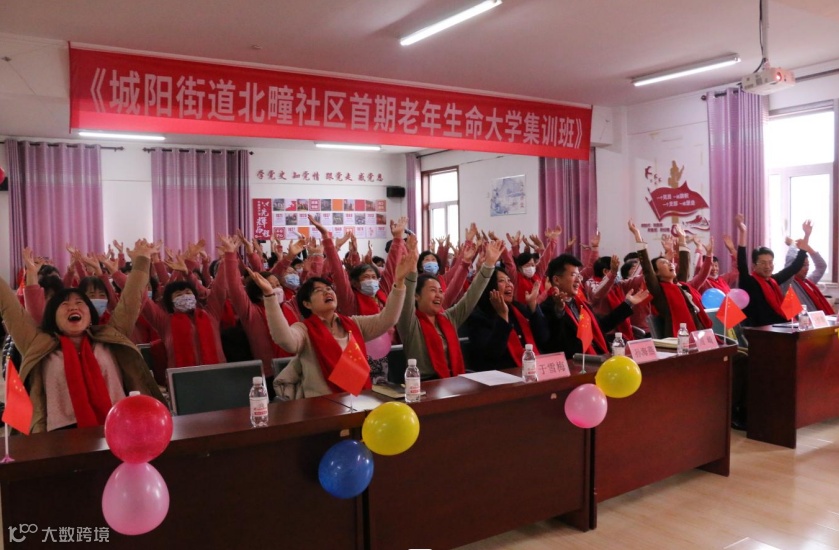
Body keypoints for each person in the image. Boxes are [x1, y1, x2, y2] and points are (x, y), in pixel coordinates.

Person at [0, 240, 165, 433]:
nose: (73, 307)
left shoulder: (111, 335)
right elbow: (8, 307)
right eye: (64, 304)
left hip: (117, 428)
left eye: (80, 303)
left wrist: (143, 259)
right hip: (57, 437)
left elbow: (131, 300)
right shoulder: (38, 343)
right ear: (53, 315)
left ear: (90, 313)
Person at [261, 249, 415, 399]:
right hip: (323, 405)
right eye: (318, 291)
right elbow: (285, 341)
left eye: (329, 288)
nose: (327, 292)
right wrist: (269, 296)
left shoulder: (353, 323)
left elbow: (387, 319)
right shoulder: (304, 330)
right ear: (307, 304)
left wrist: (399, 282)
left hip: (360, 398)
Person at [397, 238, 504, 379]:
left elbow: (471, 296)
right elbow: (406, 299)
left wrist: (489, 264)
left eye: (441, 291)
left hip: (453, 380)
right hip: (424, 384)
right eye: (433, 290)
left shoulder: (448, 318)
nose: (439, 295)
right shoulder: (409, 323)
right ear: (416, 296)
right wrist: (412, 270)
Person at [539, 253, 649, 357]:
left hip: (597, 356)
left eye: (579, 275)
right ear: (556, 280)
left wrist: (628, 303)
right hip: (578, 363)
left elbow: (600, 326)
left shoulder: (580, 303)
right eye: (573, 275)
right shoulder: (547, 307)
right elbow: (554, 344)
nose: (578, 280)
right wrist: (559, 311)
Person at [629, 221, 712, 337]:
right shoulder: (658, 290)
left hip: (699, 331)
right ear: (656, 273)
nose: (670, 263)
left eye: (669, 262)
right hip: (677, 337)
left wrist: (682, 239)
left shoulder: (680, 285)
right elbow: (647, 268)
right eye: (664, 262)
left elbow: (684, 266)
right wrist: (637, 236)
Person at [464, 267, 548, 371]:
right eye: (501, 281)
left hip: (531, 370)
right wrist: (502, 316)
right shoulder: (478, 317)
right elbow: (492, 353)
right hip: (502, 373)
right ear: (488, 287)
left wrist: (533, 305)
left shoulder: (518, 309)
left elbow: (543, 337)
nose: (509, 285)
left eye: (509, 280)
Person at [736, 214, 807, 327]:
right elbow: (742, 263)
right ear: (754, 265)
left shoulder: (773, 281)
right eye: (763, 263)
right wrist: (743, 233)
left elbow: (795, 267)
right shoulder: (748, 282)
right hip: (759, 331)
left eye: (770, 262)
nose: (767, 266)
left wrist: (806, 235)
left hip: (780, 327)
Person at [780, 221, 834, 314]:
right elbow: (790, 261)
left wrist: (807, 247)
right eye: (803, 265)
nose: (807, 268)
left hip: (816, 320)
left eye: (808, 265)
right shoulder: (787, 282)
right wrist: (793, 244)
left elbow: (821, 266)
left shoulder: (807, 281)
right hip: (798, 322)